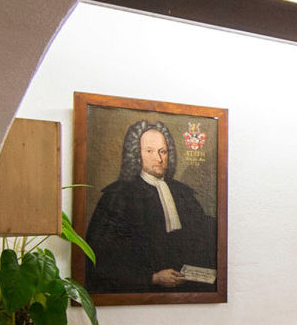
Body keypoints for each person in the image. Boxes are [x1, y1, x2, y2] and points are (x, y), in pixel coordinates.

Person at [83, 119, 215, 293]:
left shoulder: (183, 194)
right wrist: (152, 278)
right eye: (150, 151)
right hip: (141, 291)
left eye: (163, 151)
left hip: (185, 292)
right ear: (136, 154)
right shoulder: (118, 197)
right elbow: (101, 259)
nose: (159, 158)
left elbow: (203, 241)